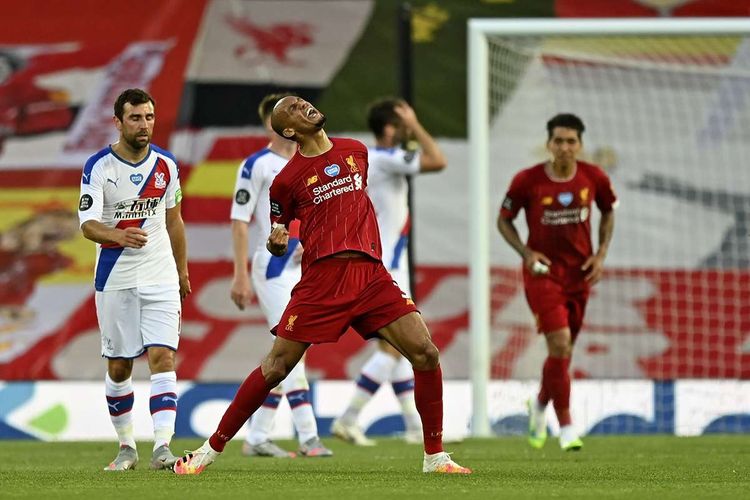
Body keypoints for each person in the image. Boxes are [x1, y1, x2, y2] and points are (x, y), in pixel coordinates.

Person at [173, 96, 471, 475]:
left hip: (371, 276)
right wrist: (276, 241)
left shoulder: (356, 152)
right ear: (290, 132)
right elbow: (278, 228)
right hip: (322, 282)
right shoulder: (285, 181)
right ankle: (207, 451)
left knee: (425, 353)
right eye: (293, 110)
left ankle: (435, 457)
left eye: (302, 102)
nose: (303, 106)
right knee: (277, 366)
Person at [78, 88, 190, 470]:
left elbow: (174, 219)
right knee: (120, 366)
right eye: (136, 118)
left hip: (160, 276)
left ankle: (162, 448)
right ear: (118, 122)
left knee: (163, 356)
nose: (144, 125)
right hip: (116, 279)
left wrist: (182, 270)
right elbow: (88, 225)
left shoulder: (167, 165)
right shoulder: (99, 167)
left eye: (149, 117)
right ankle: (127, 447)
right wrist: (117, 235)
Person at [496, 113, 617, 451]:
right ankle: (566, 426)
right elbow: (503, 221)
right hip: (543, 275)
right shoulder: (527, 181)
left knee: (563, 352)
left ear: (580, 145)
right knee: (560, 344)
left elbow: (608, 211)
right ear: (548, 144)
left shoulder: (595, 177)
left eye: (571, 141)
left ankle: (538, 406)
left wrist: (601, 254)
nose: (564, 147)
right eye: (558, 141)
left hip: (580, 275)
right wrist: (526, 253)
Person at [330, 98, 446, 446]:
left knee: (398, 349)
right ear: (392, 127)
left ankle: (413, 425)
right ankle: (348, 418)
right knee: (397, 349)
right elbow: (437, 160)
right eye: (402, 124)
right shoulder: (384, 159)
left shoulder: (375, 161)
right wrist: (417, 125)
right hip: (389, 264)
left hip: (387, 259)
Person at [229, 93, 332, 458]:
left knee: (284, 352)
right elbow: (240, 222)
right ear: (271, 124)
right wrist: (240, 275)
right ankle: (309, 437)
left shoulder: (312, 162)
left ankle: (257, 436)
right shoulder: (256, 165)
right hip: (271, 268)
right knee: (294, 347)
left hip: (305, 267)